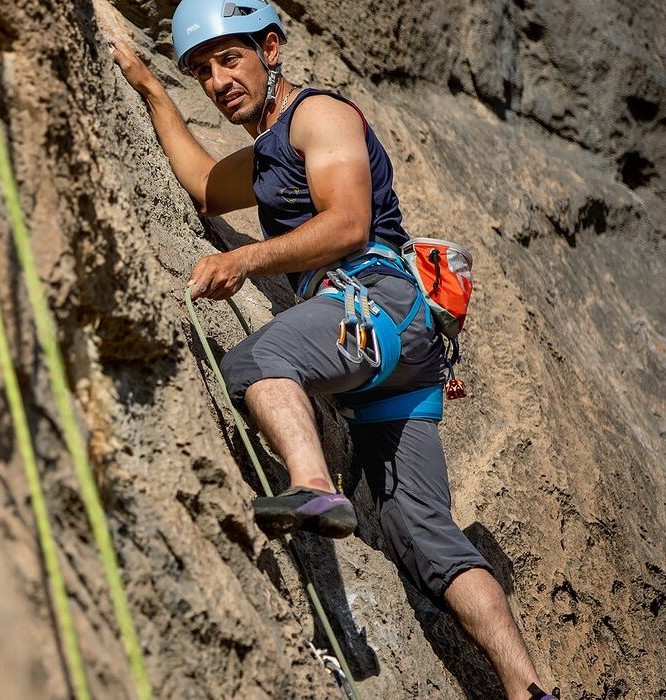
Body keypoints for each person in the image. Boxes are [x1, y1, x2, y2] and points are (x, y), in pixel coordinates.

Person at [110, 1, 557, 698]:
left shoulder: (319, 116)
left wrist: (248, 261)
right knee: (422, 537)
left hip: (372, 301)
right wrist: (147, 87)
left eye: (229, 58)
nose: (217, 79)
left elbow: (348, 223)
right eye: (202, 70)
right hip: (391, 357)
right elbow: (202, 186)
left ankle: (313, 489)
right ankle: (532, 689)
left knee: (258, 361)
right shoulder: (264, 154)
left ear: (270, 47)